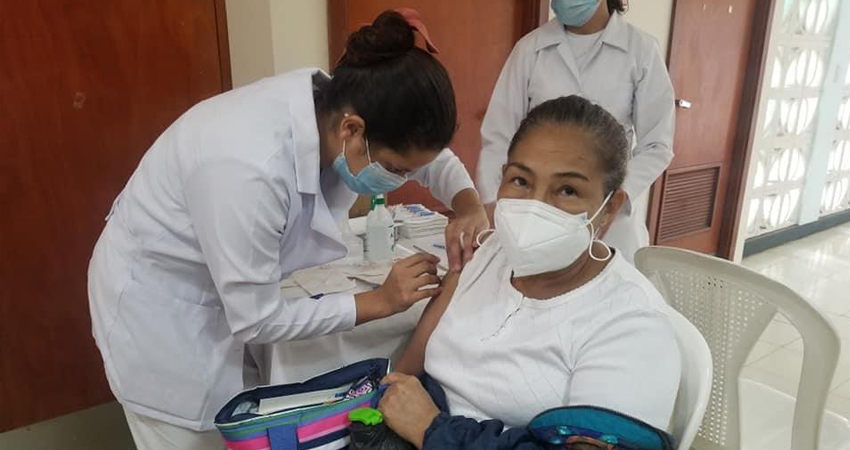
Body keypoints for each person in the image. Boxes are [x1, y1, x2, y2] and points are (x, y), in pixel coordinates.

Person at [86, 9, 488, 450]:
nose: (402, 179)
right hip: (165, 312)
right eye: (395, 170)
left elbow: (428, 159)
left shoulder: (338, 106)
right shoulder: (247, 167)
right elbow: (256, 319)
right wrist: (380, 301)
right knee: (194, 437)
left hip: (231, 291)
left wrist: (467, 203)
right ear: (352, 130)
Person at [378, 96, 681, 449]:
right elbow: (406, 374)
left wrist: (431, 430)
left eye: (568, 190)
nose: (534, 206)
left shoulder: (630, 324)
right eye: (520, 181)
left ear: (608, 209)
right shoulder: (490, 253)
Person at [476, 0, 675, 263]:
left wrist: (611, 198)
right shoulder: (530, 48)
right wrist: (495, 205)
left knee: (609, 294)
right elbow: (498, 136)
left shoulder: (641, 50)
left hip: (609, 221)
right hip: (538, 211)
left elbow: (657, 145)